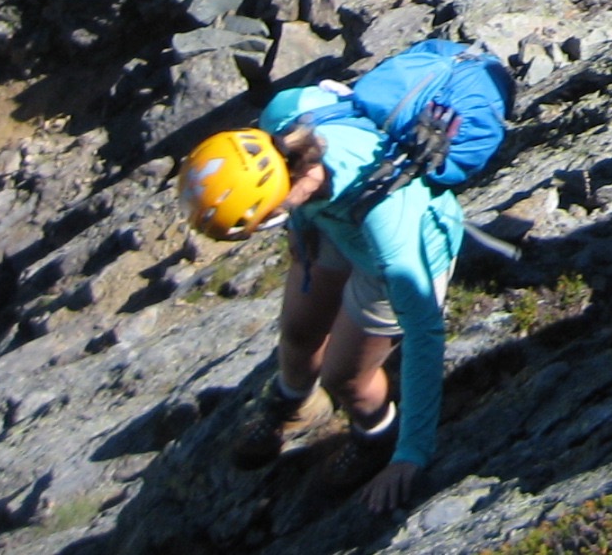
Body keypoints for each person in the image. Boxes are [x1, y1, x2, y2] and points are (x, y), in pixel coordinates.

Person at [191, 83, 465, 512]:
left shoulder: (393, 230)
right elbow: (332, 105)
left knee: (346, 379)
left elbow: (426, 336)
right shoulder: (284, 117)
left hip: (403, 246)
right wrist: (303, 229)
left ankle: (377, 434)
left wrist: (412, 455)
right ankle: (293, 401)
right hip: (335, 220)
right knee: (299, 331)